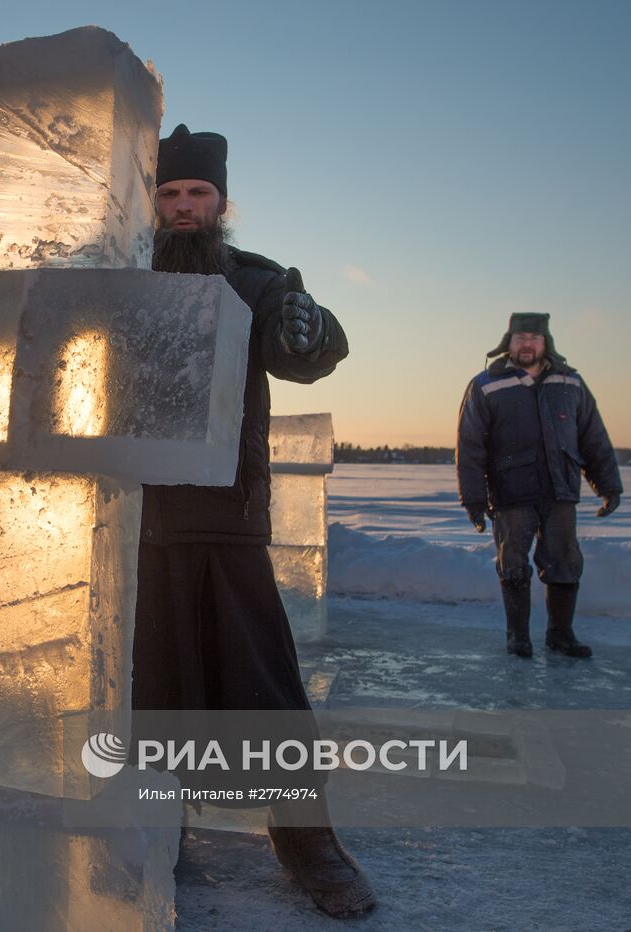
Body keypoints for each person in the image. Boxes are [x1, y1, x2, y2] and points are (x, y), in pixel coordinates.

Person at [134, 124, 374, 918]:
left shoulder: (256, 281)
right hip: (128, 518)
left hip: (224, 513)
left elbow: (302, 347)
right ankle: (147, 831)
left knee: (262, 687)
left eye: (196, 193)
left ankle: (307, 839)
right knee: (144, 687)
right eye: (169, 193)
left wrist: (313, 328)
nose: (182, 207)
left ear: (221, 202)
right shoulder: (117, 278)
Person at [456, 313, 623, 659]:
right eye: (520, 338)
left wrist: (608, 485)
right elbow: (470, 446)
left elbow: (593, 436)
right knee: (513, 563)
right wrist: (473, 499)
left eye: (534, 337)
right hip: (510, 491)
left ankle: (561, 635)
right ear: (509, 342)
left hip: (560, 487)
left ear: (546, 342)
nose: (527, 344)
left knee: (564, 561)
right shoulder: (487, 383)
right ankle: (518, 637)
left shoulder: (570, 382)